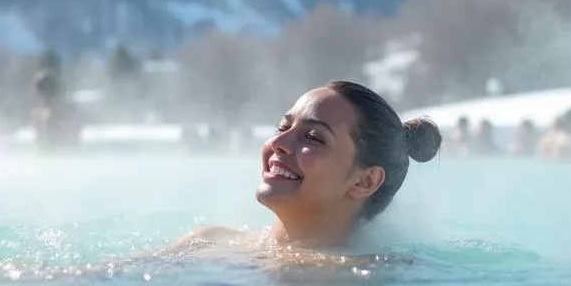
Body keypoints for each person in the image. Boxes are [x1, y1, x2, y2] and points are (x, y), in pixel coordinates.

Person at [169, 81, 442, 252]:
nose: (279, 142)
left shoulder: (367, 277)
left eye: (313, 137)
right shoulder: (207, 243)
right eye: (283, 126)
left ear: (364, 181)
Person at [32, 68, 81, 152]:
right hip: (50, 154)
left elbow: (73, 137)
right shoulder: (39, 111)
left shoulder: (63, 110)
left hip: (62, 154)